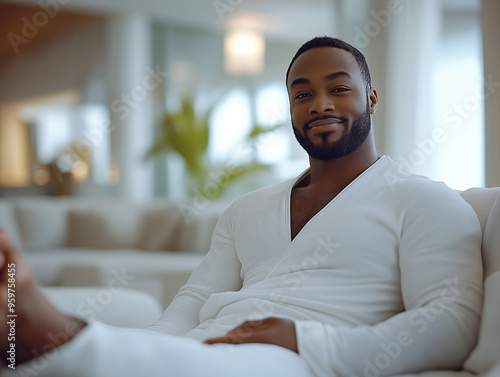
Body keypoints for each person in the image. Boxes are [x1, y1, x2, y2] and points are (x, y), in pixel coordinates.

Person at [0, 37, 483, 377]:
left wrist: (302, 339)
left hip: (300, 359)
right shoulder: (250, 207)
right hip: (211, 343)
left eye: (339, 88)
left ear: (371, 98)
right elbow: (193, 299)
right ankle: (45, 337)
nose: (319, 104)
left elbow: (451, 322)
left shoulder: (425, 200)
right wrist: (154, 340)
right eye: (302, 93)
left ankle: (46, 333)